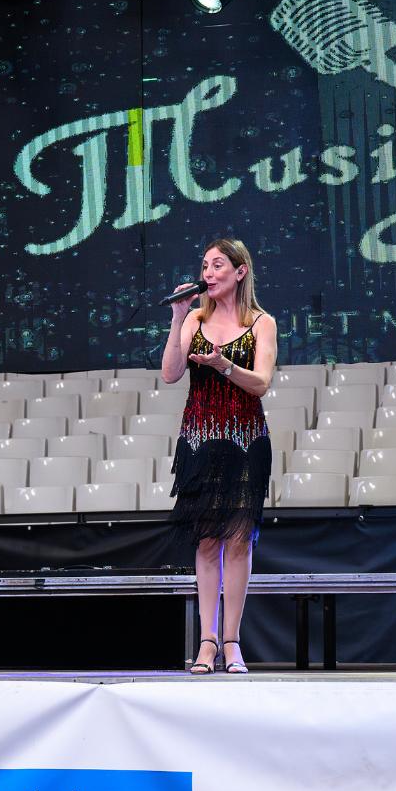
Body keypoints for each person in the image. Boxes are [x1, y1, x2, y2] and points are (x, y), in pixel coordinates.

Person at [160, 238, 278, 675]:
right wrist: (177, 319)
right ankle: (206, 642)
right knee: (207, 541)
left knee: (238, 541)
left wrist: (222, 363)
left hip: (246, 440)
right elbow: (171, 374)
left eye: (217, 266)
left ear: (240, 271)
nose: (208, 273)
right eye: (204, 266)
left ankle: (233, 642)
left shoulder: (261, 323)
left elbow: (261, 383)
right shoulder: (194, 317)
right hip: (201, 439)